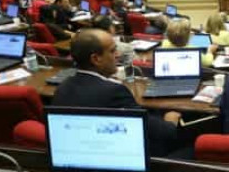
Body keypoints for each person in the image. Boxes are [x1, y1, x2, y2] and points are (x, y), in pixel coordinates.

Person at [53, 29, 181, 155]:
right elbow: (158, 131)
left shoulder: (62, 87)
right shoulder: (113, 91)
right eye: (112, 51)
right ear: (96, 59)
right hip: (134, 155)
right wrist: (170, 122)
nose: (118, 54)